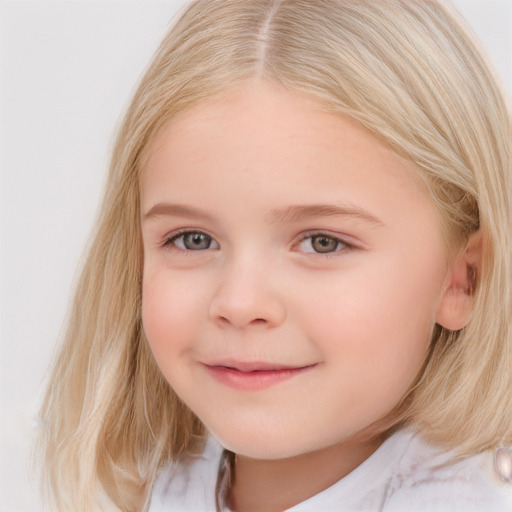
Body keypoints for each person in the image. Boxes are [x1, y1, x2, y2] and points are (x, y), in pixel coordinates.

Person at [38, 0, 512, 510]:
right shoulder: (146, 486)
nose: (240, 303)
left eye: (321, 242)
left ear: (465, 279)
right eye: (193, 240)